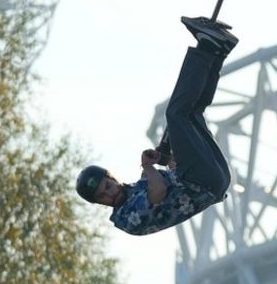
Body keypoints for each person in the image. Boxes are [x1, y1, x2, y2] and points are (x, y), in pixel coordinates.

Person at [75, 16, 238, 235]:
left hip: (210, 180)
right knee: (175, 114)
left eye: (107, 187)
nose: (109, 195)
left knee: (192, 113)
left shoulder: (136, 189)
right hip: (203, 181)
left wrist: (162, 157)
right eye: (102, 197)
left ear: (111, 178)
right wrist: (149, 167)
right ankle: (207, 46)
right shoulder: (125, 219)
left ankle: (216, 52)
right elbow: (159, 191)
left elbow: (172, 171)